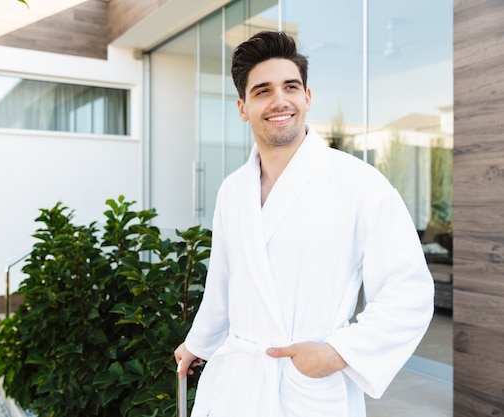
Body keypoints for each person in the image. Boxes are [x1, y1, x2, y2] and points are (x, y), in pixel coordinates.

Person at [174, 31, 434, 417]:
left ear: (307, 98)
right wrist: (200, 342)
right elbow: (224, 283)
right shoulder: (232, 191)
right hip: (239, 386)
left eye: (290, 87)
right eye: (262, 91)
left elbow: (408, 291)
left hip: (310, 387)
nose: (279, 100)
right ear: (243, 107)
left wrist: (336, 353)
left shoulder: (358, 183)